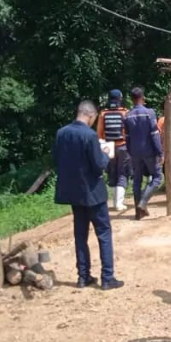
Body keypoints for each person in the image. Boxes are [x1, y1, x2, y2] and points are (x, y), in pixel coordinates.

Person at [53, 100, 124, 290]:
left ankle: (83, 277)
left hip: (74, 194)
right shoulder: (90, 135)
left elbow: (57, 160)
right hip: (93, 192)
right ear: (91, 116)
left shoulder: (61, 133)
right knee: (103, 233)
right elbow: (99, 164)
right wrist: (105, 152)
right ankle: (107, 277)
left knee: (80, 235)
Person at [123, 87, 164, 220]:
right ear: (143, 98)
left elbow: (127, 138)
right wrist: (160, 152)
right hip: (149, 151)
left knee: (137, 181)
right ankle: (143, 202)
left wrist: (130, 153)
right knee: (157, 177)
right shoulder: (149, 113)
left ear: (132, 99)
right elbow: (154, 135)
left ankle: (138, 213)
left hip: (134, 152)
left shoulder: (128, 116)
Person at [96, 89, 130, 211]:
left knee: (112, 172)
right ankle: (119, 203)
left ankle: (114, 202)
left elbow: (99, 134)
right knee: (122, 173)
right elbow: (129, 132)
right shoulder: (125, 113)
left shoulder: (103, 113)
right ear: (120, 99)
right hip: (123, 147)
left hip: (108, 147)